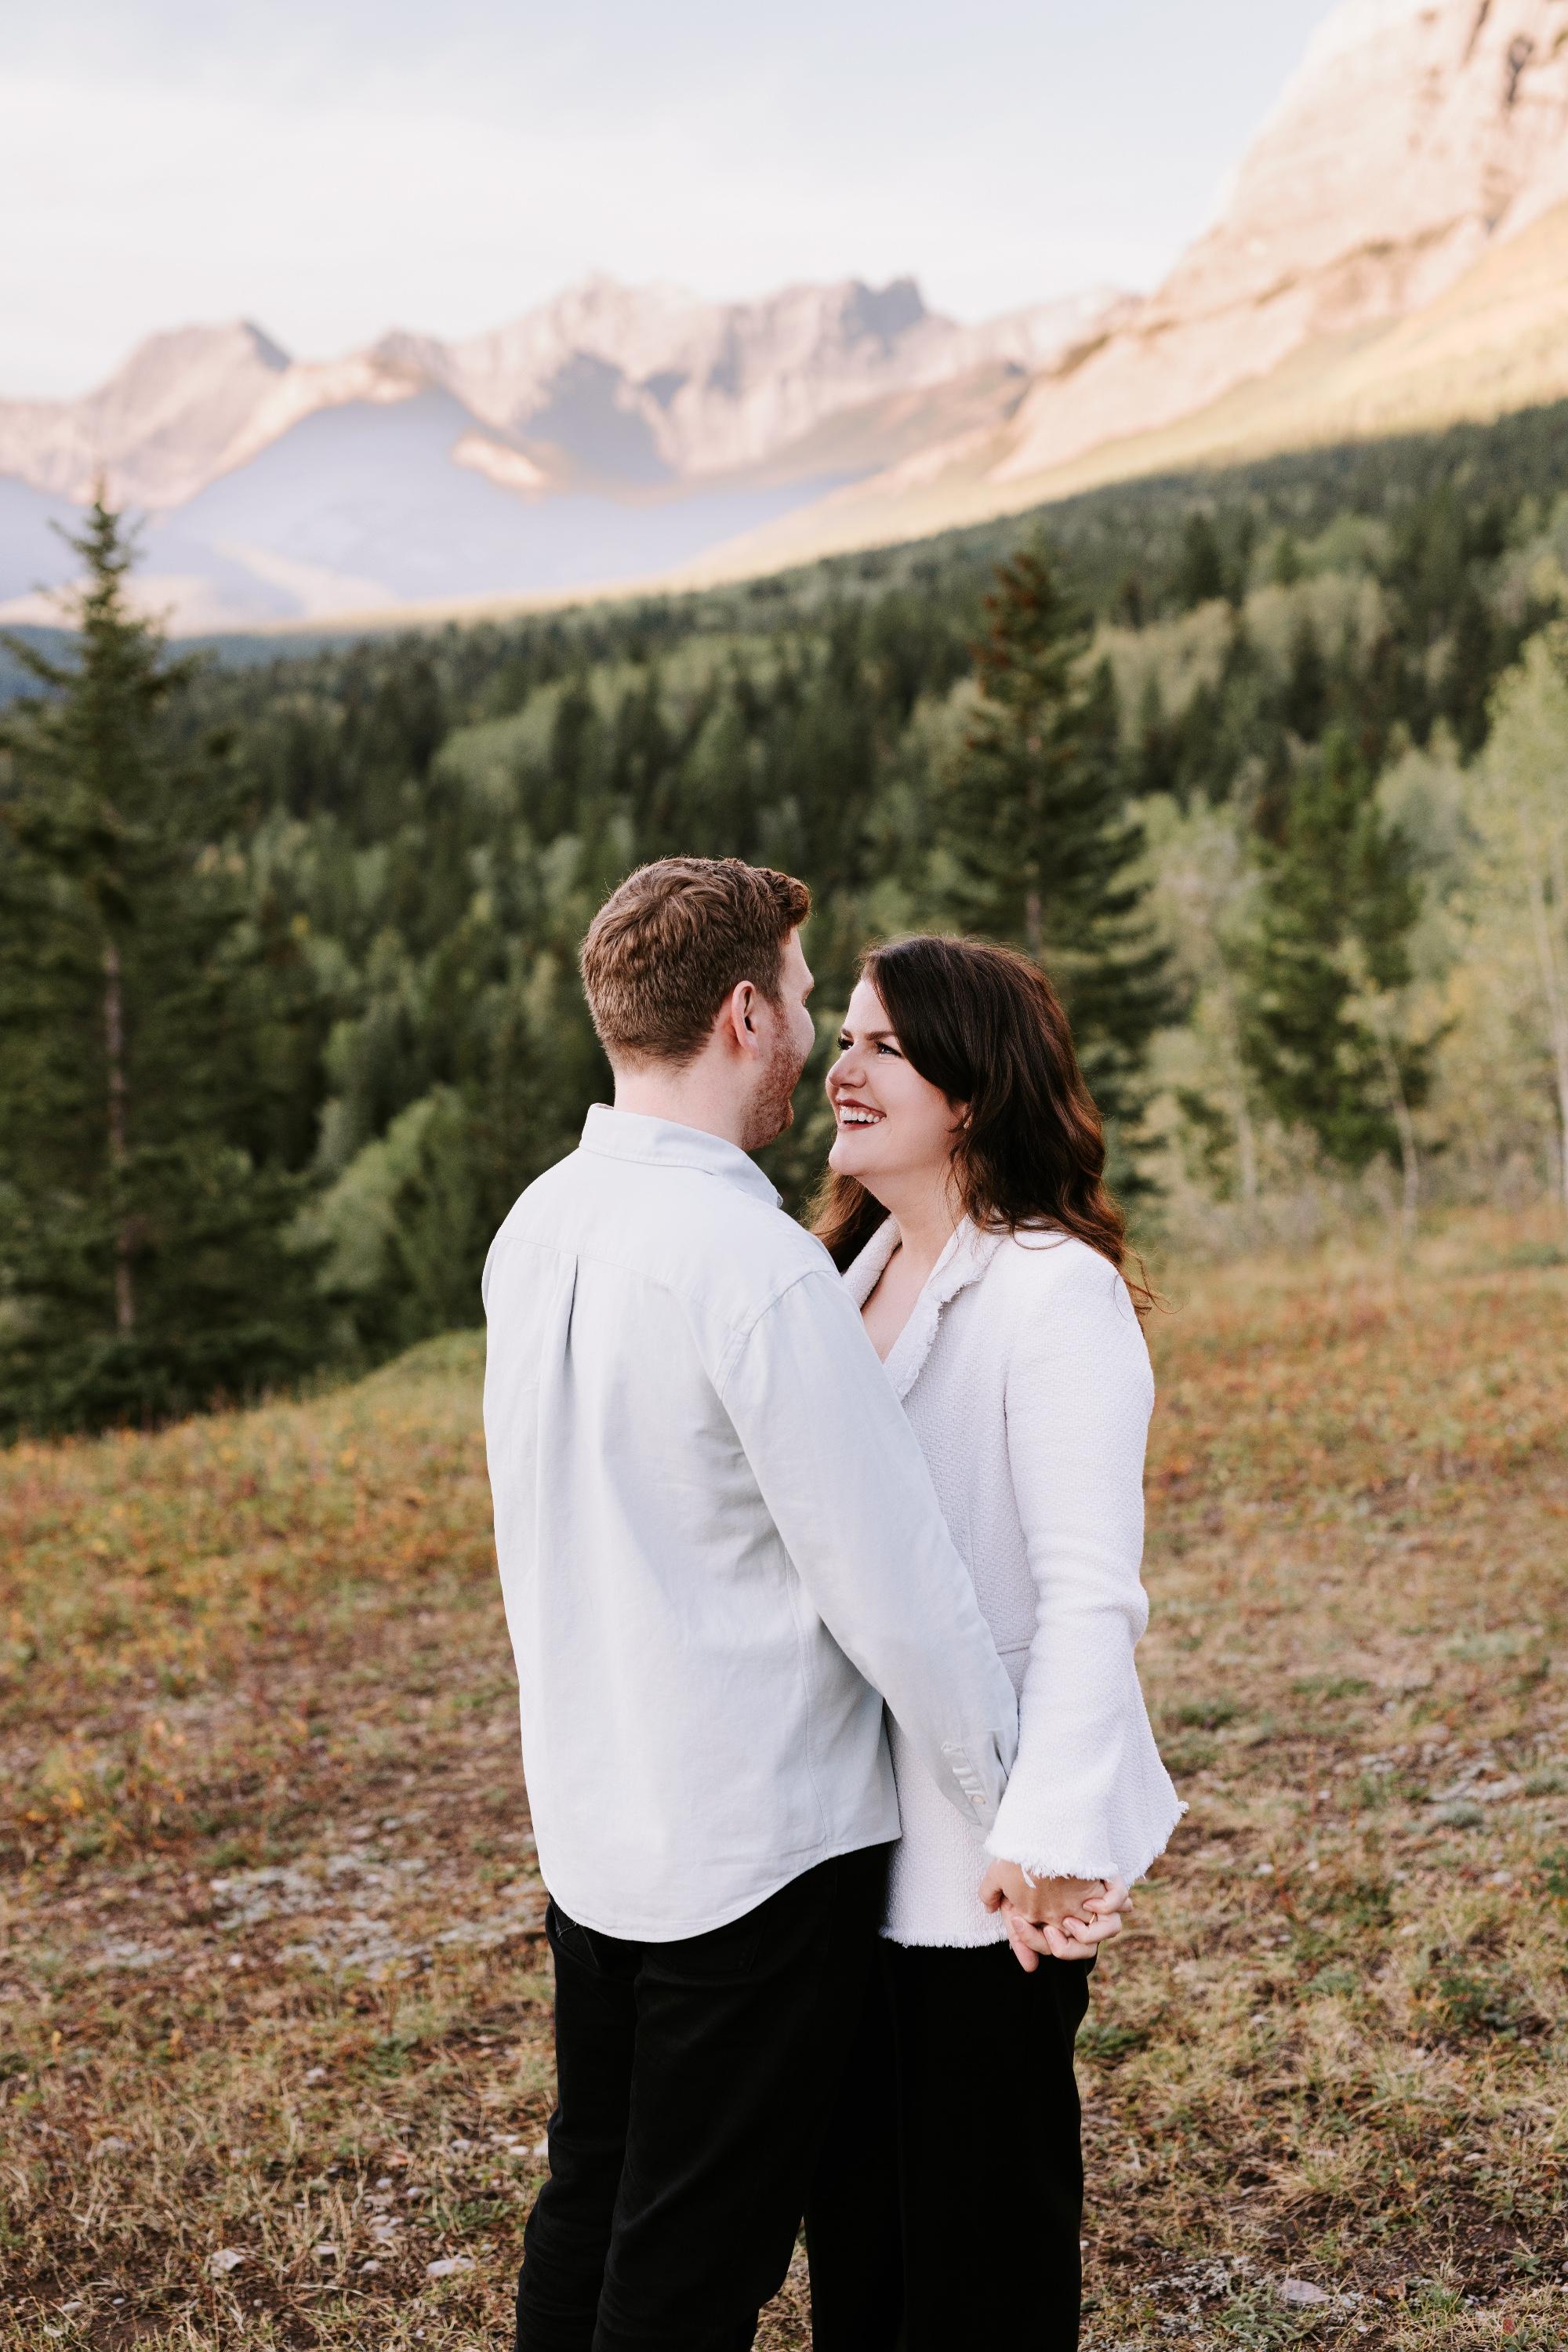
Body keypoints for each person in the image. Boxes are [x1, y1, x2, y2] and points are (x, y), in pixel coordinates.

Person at [481, 860, 1028, 2352]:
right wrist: (1021, 1809)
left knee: (589, 2194)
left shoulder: (537, 1224)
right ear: (742, 1013)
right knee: (692, 2261)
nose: (815, 1033)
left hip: (594, 1832)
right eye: (800, 999)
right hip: (758, 1857)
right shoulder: (761, 1270)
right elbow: (897, 1590)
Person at [804, 934, 1183, 2352]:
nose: (841, 1069)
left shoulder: (1050, 1292)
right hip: (843, 1839)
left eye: (883, 1046)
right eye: (841, 1038)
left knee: (981, 2247)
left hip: (986, 1856)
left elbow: (1095, 1597)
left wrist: (1048, 1839)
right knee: (860, 2241)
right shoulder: (848, 1271)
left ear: (971, 1090)